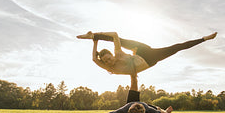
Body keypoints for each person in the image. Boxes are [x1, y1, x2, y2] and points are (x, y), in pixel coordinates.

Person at [77, 31, 217, 75]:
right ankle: (94, 36)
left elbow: (114, 34)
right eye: (106, 61)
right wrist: (94, 45)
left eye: (108, 58)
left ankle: (205, 38)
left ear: (112, 55)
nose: (108, 61)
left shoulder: (118, 54)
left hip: (142, 51)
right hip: (150, 60)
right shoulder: (109, 68)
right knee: (176, 48)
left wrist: (95, 37)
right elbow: (95, 60)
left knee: (121, 40)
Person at [105, 73, 173, 113]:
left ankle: (133, 72)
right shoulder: (124, 109)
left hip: (142, 105)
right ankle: (133, 73)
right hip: (131, 104)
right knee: (134, 81)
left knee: (158, 109)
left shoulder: (148, 110)